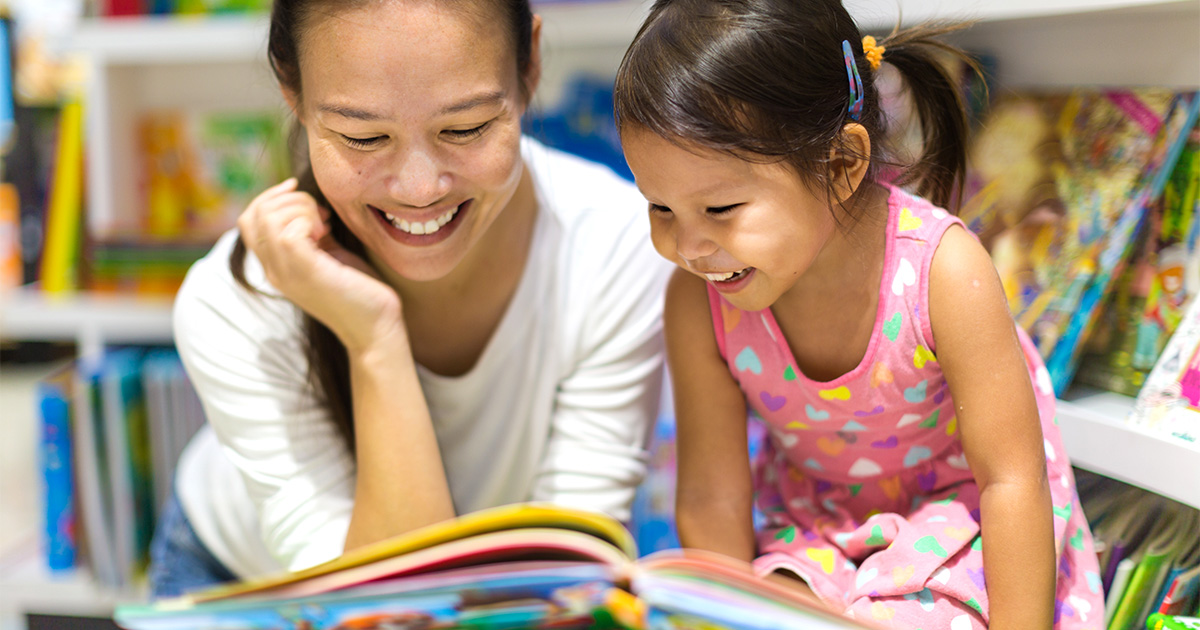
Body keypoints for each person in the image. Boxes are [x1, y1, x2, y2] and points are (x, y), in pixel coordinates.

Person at [148, 0, 671, 598]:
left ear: (529, 64)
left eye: (465, 128)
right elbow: (383, 610)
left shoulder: (616, 247)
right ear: (291, 88)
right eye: (364, 137)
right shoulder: (237, 301)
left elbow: (566, 574)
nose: (420, 189)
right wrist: (374, 340)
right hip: (241, 579)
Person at [612, 1, 1105, 628]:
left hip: (962, 525)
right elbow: (713, 498)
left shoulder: (944, 271)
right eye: (660, 207)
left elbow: (1012, 484)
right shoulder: (697, 300)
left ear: (842, 164)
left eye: (721, 209)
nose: (688, 247)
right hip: (816, 533)